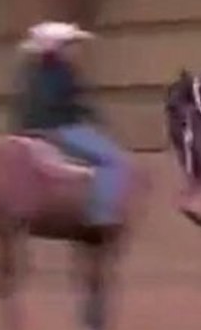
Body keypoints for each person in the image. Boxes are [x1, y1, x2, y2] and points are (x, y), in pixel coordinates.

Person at [11, 21, 128, 229]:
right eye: (71, 44)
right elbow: (62, 101)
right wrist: (90, 114)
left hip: (26, 130)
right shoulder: (62, 71)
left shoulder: (29, 71)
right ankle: (102, 214)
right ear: (58, 47)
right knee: (112, 160)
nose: (76, 49)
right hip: (59, 129)